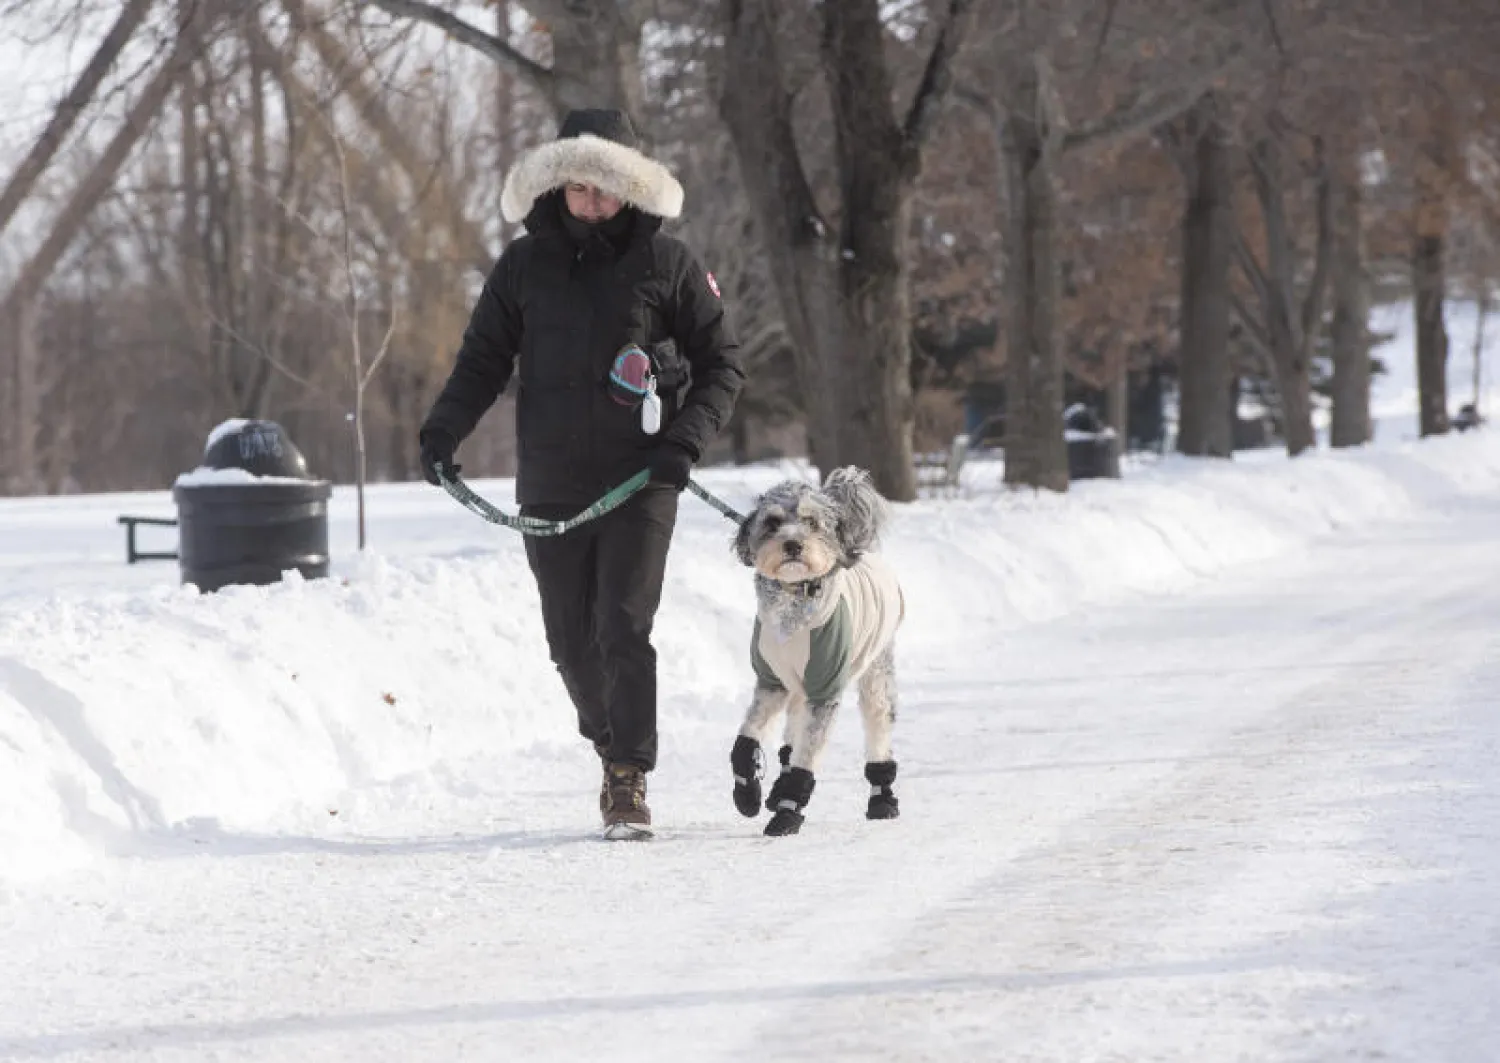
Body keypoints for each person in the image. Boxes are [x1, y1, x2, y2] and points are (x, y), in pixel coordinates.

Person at [417, 108, 744, 836]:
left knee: (623, 625)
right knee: (571, 641)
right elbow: (481, 362)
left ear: (632, 188)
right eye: (580, 188)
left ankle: (628, 776)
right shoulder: (523, 267)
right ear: (558, 184)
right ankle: (608, 742)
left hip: (641, 476)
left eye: (608, 188)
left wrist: (683, 441)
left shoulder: (670, 265)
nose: (593, 201)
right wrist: (442, 430)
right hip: (553, 480)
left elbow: (723, 365)